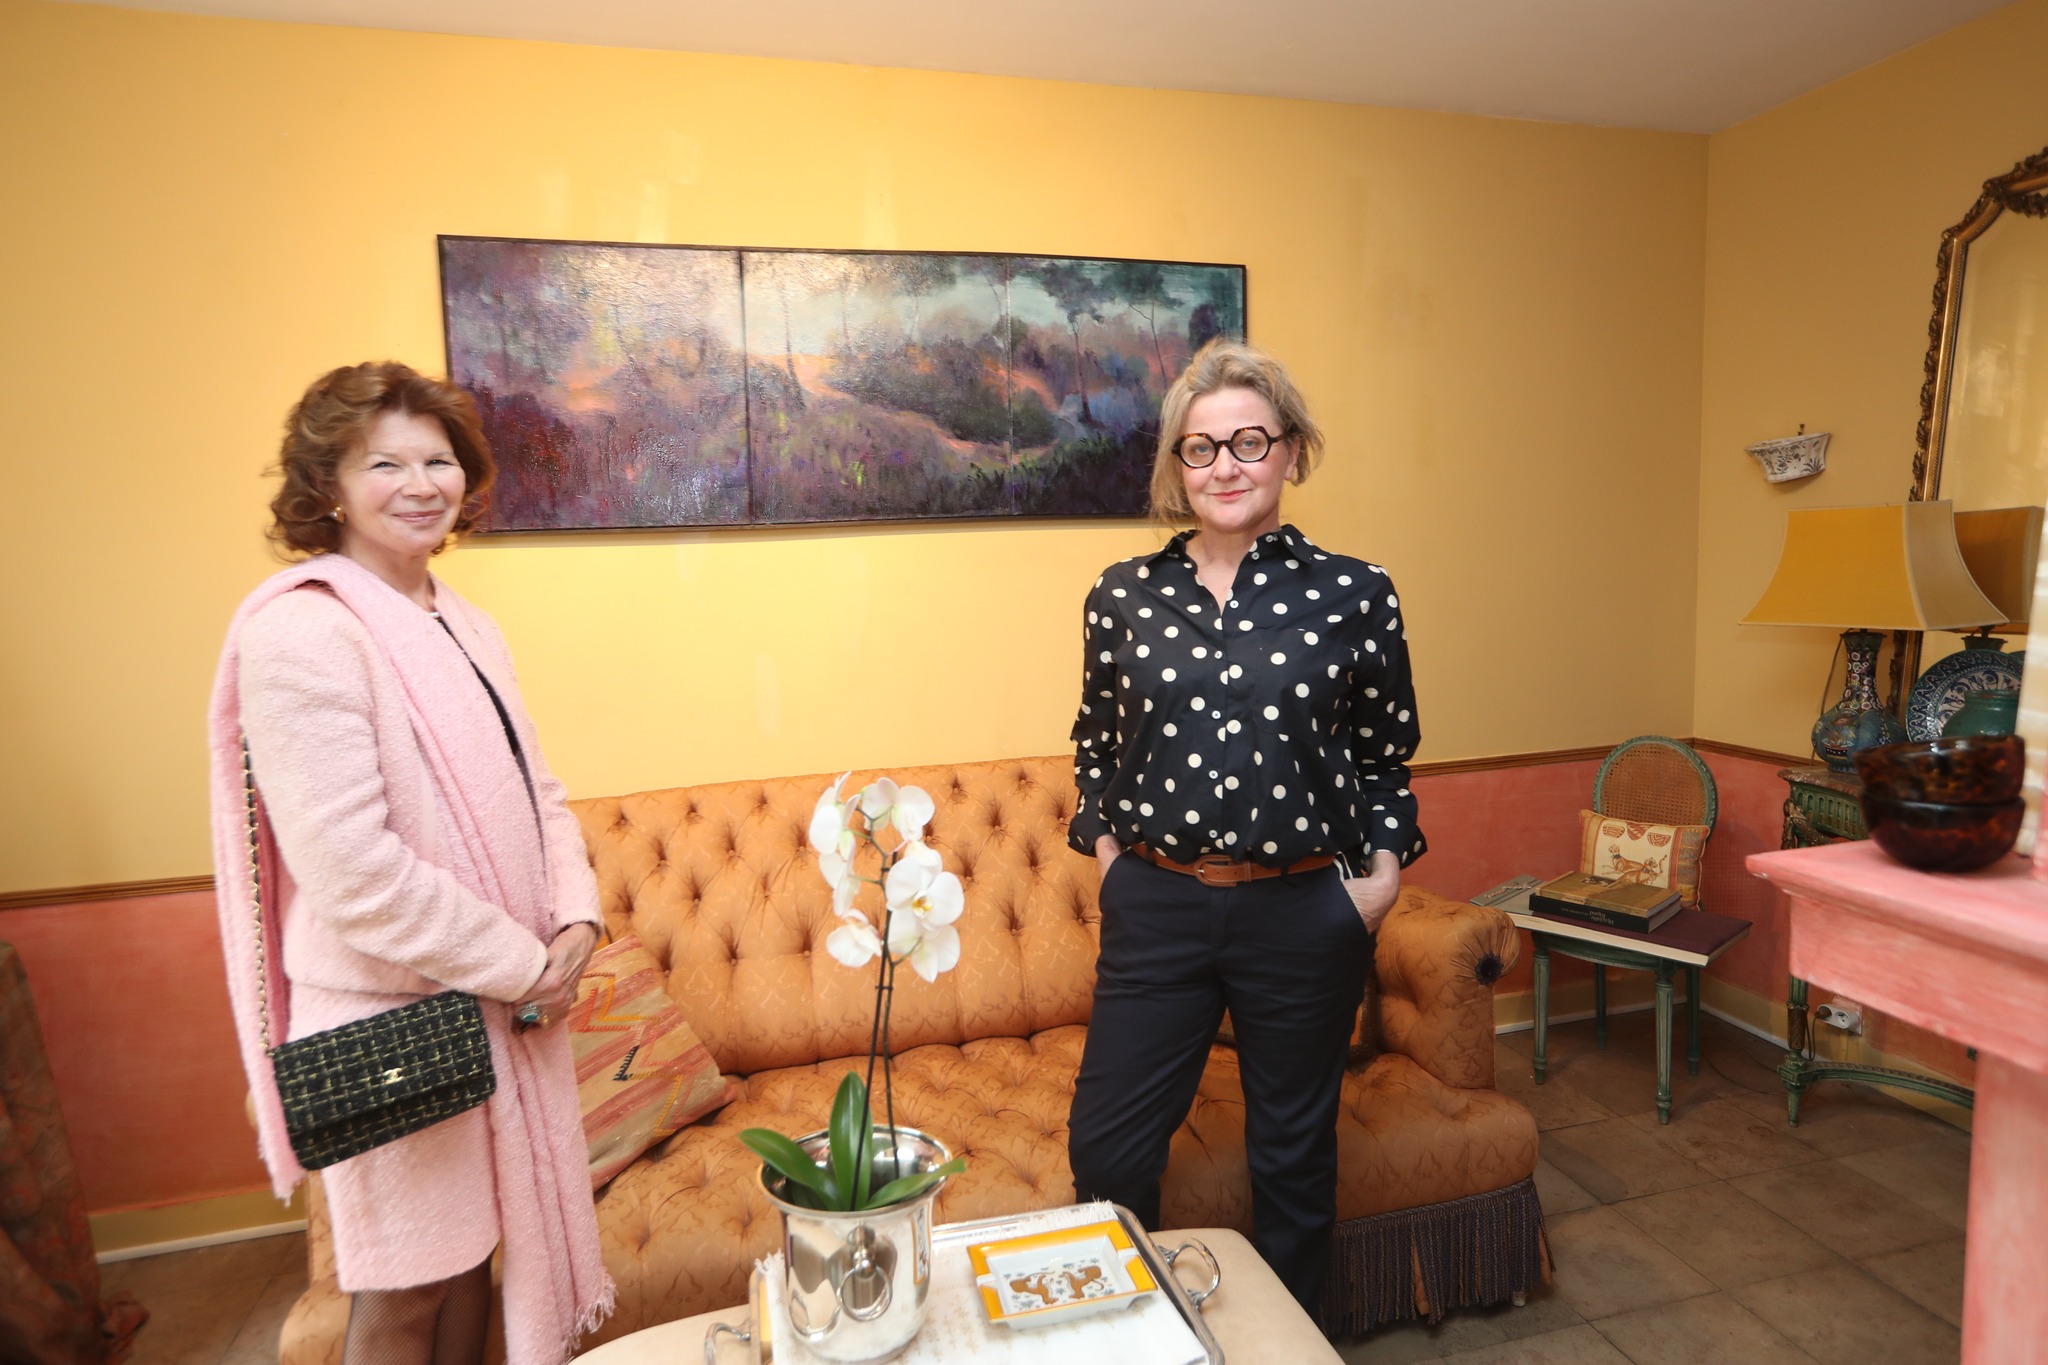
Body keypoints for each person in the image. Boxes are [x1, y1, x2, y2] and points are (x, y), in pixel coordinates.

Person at [207, 362, 613, 1364]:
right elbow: (353, 873)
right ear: (328, 486)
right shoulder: (301, 630)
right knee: (406, 1289)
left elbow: (538, 787)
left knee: (473, 1264)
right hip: (388, 1012)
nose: (420, 484)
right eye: (384, 463)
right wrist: (525, 966)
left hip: (494, 1001)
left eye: (438, 460)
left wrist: (576, 916)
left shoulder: (463, 619)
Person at [1065, 339, 1426, 1308]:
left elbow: (1384, 754)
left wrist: (1376, 881)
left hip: (1303, 912)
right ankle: (1131, 1337)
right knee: (1107, 1150)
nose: (1224, 466)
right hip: (1156, 905)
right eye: (1201, 448)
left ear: (1290, 453)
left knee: (1293, 1163)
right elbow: (1094, 745)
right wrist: (1112, 861)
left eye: (1249, 442)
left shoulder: (1356, 593)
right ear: (1177, 467)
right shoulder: (1123, 596)